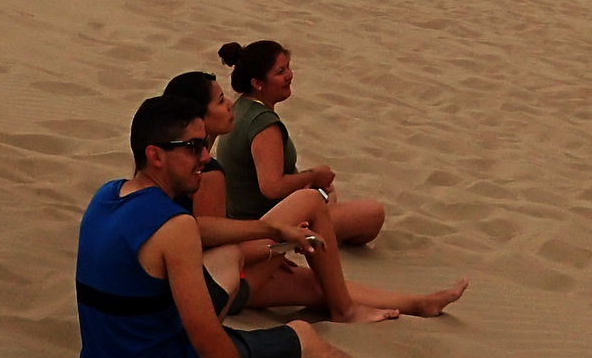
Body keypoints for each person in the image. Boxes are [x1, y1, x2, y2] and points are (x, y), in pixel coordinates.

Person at [74, 94, 443, 358]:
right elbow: (203, 336)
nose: (205, 157)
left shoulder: (109, 196)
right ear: (156, 155)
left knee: (228, 255)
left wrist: (271, 229)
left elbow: (201, 231)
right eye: (193, 147)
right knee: (304, 338)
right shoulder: (175, 228)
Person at [165, 70, 466, 322]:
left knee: (315, 283)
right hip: (220, 287)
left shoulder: (171, 159)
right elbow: (213, 251)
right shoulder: (206, 171)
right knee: (311, 204)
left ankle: (417, 303)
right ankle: (345, 310)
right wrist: (280, 244)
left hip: (211, 276)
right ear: (198, 117)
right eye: (220, 101)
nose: (230, 103)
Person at [212, 40, 386, 247]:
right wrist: (313, 175)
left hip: (244, 213)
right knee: (372, 214)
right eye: (280, 72)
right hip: (265, 222)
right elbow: (272, 187)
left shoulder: (241, 108)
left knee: (327, 194)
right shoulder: (263, 124)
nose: (289, 76)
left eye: (288, 68)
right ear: (257, 83)